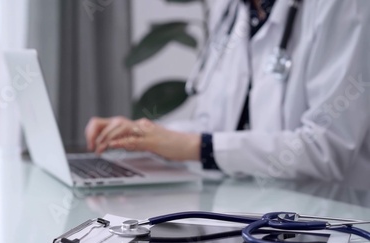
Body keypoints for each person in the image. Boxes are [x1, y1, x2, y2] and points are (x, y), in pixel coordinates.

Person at [85, 0, 370, 183]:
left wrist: (198, 147)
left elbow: (327, 149)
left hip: (330, 224)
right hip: (251, 212)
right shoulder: (233, 9)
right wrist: (147, 135)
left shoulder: (341, 6)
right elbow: (216, 126)